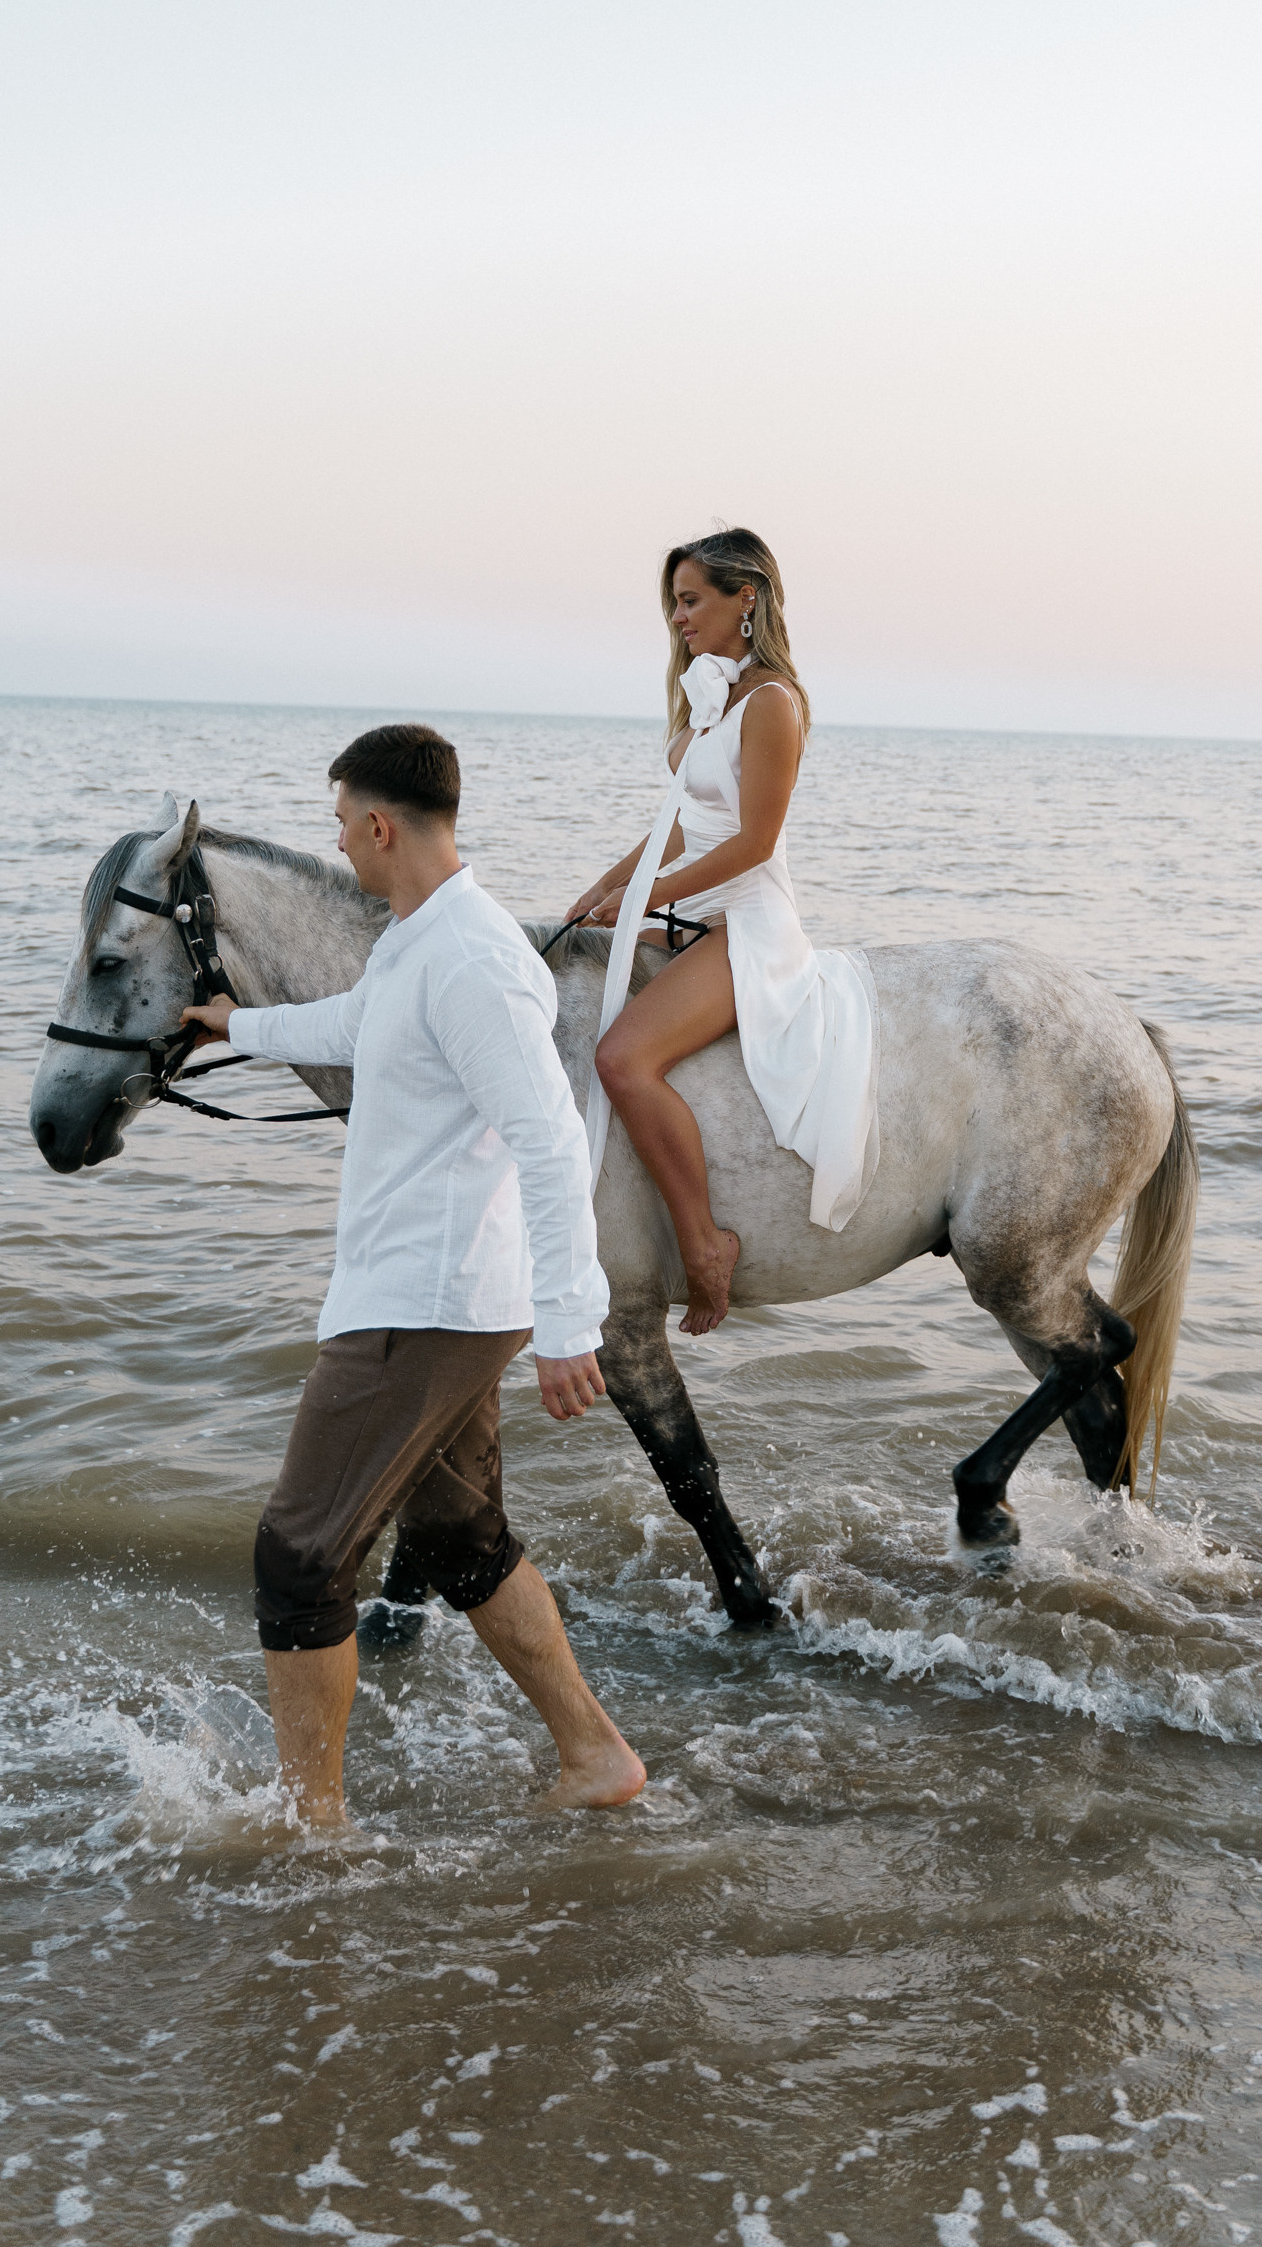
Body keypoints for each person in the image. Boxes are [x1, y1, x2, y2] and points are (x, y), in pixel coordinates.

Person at [182, 721, 645, 1831]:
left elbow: (548, 1140)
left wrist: (572, 1320)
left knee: (298, 1557)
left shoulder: (475, 960)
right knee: (460, 1544)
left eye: (342, 825)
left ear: (381, 824)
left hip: (421, 1309)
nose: (338, 845)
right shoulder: (417, 941)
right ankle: (595, 1756)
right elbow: (354, 1023)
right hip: (435, 1299)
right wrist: (235, 1023)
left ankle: (312, 1828)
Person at [564, 528, 880, 1339]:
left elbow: (753, 843)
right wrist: (606, 887)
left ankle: (706, 1246)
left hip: (748, 920)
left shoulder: (773, 701)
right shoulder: (713, 699)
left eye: (691, 599)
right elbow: (681, 825)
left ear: (747, 598)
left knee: (621, 1059)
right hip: (692, 914)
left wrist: (648, 898)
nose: (677, 618)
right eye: (673, 602)